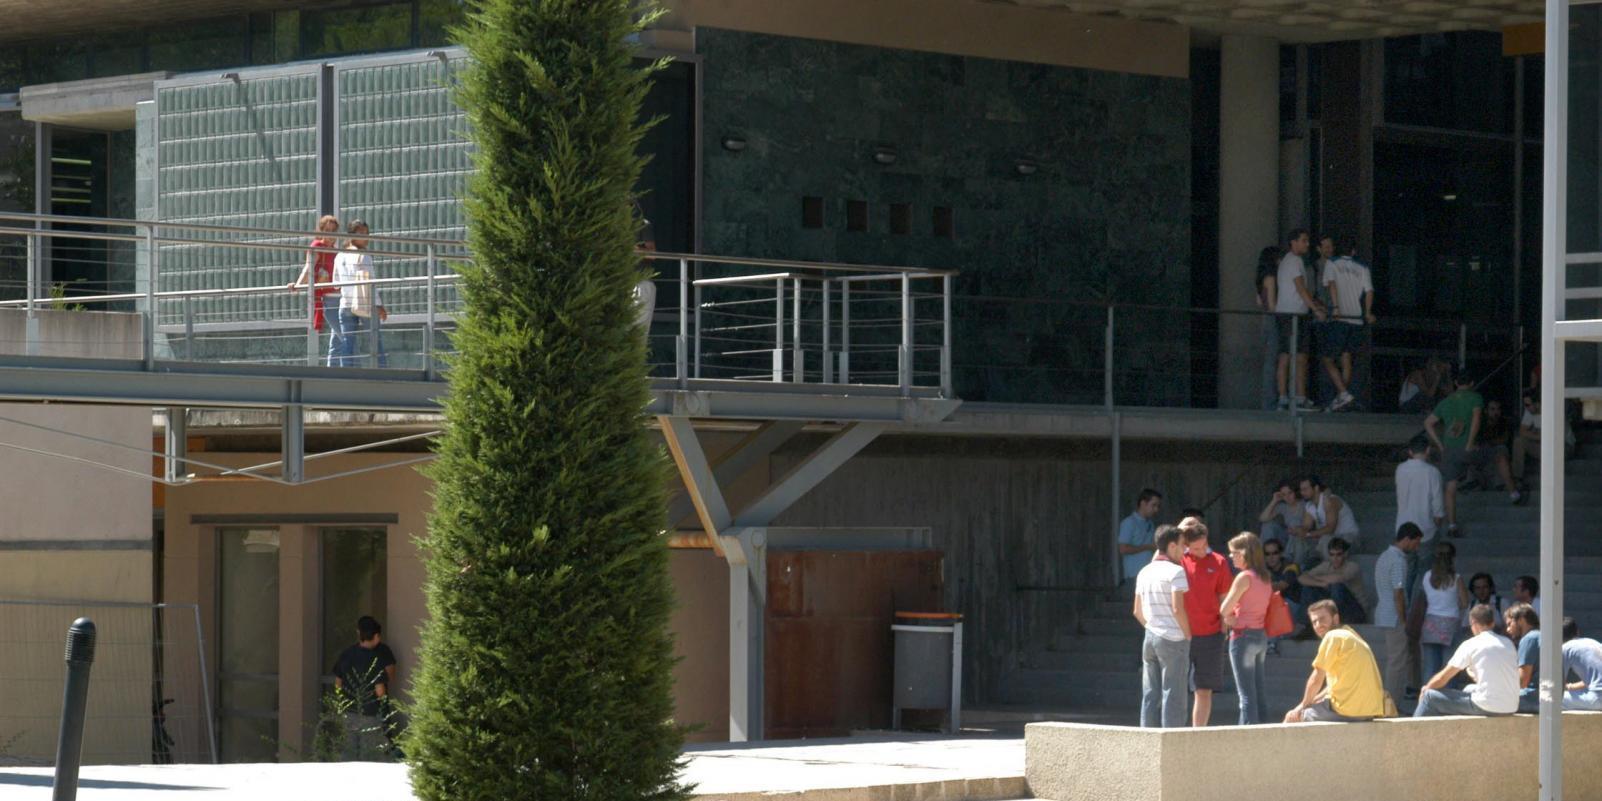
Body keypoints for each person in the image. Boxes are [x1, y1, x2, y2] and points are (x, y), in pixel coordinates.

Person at [1425, 374, 1523, 537]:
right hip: (1468, 449)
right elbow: (1477, 418)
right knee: (1500, 454)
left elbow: (1428, 423)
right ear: (1471, 383)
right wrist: (1470, 443)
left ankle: (1452, 525)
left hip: (1449, 450)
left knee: (1450, 487)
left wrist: (1440, 445)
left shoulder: (1445, 401)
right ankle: (1513, 493)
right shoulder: (1475, 398)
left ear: (1456, 382)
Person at [1283, 599, 1387, 723]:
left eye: (1322, 619)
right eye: (1314, 621)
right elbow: (1335, 684)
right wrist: (1315, 699)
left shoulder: (1333, 636)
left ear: (1335, 618)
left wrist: (1301, 706)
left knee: (1292, 717)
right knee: (1314, 706)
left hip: (1348, 710)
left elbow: (1316, 678)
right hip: (1369, 710)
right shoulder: (1351, 634)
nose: (1318, 625)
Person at [1413, 604, 1518, 717]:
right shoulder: (1508, 643)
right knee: (1468, 688)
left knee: (1429, 696)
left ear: (1472, 622)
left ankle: (1410, 733)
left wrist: (1426, 688)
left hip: (1487, 705)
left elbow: (1443, 678)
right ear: (1492, 623)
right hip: (1511, 706)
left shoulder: (1471, 644)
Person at [1133, 524, 1191, 728]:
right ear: (1173, 545)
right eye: (1183, 545)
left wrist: (1151, 627)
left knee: (1150, 693)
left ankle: (1145, 739)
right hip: (1173, 637)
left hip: (1150, 637)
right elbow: (1178, 608)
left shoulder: (1144, 571)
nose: (1185, 550)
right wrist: (1188, 635)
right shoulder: (1176, 571)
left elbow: (1137, 611)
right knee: (1174, 694)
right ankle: (1172, 744)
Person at [1178, 518, 1231, 727]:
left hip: (1210, 633)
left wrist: (1224, 626)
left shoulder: (1219, 561)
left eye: (1203, 546)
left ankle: (1197, 732)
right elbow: (1159, 556)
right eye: (1195, 548)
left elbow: (1224, 595)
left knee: (1204, 688)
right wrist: (1180, 528)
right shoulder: (1178, 560)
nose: (1200, 551)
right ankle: (1175, 730)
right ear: (1186, 545)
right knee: (1176, 686)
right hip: (1182, 633)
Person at [1220, 532, 1272, 724]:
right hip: (1260, 636)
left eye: (1233, 553)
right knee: (1259, 692)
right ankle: (1263, 734)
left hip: (1243, 637)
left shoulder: (1244, 577)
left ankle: (1246, 738)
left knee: (1246, 696)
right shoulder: (1265, 577)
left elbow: (1224, 609)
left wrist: (1231, 617)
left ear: (1243, 554)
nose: (1231, 557)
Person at [1317, 238, 1373, 412]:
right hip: (1356, 319)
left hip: (1340, 318)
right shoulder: (1362, 267)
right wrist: (1367, 312)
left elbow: (1331, 285)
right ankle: (1342, 397)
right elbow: (1369, 291)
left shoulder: (1332, 263)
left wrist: (1335, 307)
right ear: (1353, 251)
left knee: (1327, 358)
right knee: (1346, 357)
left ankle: (1343, 393)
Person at [332, 615, 398, 760]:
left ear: (359, 633)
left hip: (349, 712)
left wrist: (342, 703)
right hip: (371, 713)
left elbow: (338, 681)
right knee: (371, 757)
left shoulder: (347, 654)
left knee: (349, 755)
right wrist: (383, 706)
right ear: (376, 636)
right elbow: (380, 689)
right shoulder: (376, 658)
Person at [1274, 229, 1327, 411]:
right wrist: (1315, 309)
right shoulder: (1295, 261)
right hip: (1294, 314)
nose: (1307, 244)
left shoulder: (1287, 261)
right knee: (1299, 356)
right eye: (1303, 240)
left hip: (1287, 313)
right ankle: (1299, 397)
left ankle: (1284, 397)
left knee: (1286, 355)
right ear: (1293, 242)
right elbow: (1300, 288)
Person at [1375, 523, 1424, 703]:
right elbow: (1399, 593)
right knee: (1397, 662)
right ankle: (1390, 704)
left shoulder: (1383, 556)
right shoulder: (1398, 560)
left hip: (1385, 613)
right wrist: (1404, 620)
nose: (1416, 547)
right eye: (1416, 542)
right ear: (1406, 539)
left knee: (1397, 659)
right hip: (1394, 616)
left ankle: (1399, 695)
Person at [287, 214, 343, 366]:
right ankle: (349, 370)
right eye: (327, 231)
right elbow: (309, 267)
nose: (331, 235)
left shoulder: (336, 251)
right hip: (327, 299)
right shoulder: (317, 246)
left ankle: (333, 373)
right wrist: (297, 285)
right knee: (345, 336)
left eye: (334, 231)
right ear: (321, 231)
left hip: (340, 297)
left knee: (337, 341)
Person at [333, 219, 388, 368]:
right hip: (366, 303)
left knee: (347, 343)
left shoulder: (339, 256)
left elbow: (336, 283)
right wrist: (379, 305)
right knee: (375, 340)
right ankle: (382, 371)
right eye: (361, 233)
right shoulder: (364, 256)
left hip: (345, 303)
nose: (366, 237)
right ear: (352, 235)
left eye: (367, 233)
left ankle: (346, 374)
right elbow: (371, 282)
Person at [1417, 540, 1469, 683]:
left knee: (1430, 666)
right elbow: (1465, 602)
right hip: (1451, 623)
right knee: (1449, 666)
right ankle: (1448, 699)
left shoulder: (1427, 576)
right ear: (1452, 558)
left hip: (1430, 622)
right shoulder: (1456, 578)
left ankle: (1427, 698)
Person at [1297, 537, 1370, 626]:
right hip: (1337, 608)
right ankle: (1305, 625)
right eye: (1332, 555)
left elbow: (1338, 578)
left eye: (1338, 554)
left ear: (1345, 554)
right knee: (1308, 588)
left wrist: (1315, 577)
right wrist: (1321, 583)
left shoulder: (1353, 566)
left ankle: (1334, 623)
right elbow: (1301, 578)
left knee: (1337, 587)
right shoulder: (1326, 565)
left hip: (1356, 611)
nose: (1335, 558)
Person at [1290, 474, 1361, 562]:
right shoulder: (1309, 505)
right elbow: (1306, 526)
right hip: (1330, 539)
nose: (1302, 492)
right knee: (1299, 539)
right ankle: (1297, 569)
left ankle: (1329, 570)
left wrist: (1309, 534)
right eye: (1301, 490)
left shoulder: (1330, 500)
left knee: (1326, 539)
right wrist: (1298, 530)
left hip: (1349, 537)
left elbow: (1330, 528)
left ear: (1316, 488)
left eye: (1305, 489)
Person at [1512, 391, 1576, 481]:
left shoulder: (1551, 411)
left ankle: (1552, 480)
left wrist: (1535, 434)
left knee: (1549, 445)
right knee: (1519, 441)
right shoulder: (1529, 412)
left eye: (1527, 405)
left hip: (1564, 447)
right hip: (1545, 444)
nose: (1525, 408)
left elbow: (1552, 437)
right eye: (1525, 405)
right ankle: (1517, 479)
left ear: (1537, 404)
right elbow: (1522, 431)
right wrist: (1539, 435)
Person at [1257, 245, 1286, 410]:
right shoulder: (1271, 278)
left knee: (1269, 361)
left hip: (1264, 319)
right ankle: (1270, 402)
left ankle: (1268, 401)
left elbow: (1259, 302)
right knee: (1272, 362)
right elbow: (1273, 305)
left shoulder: (1261, 277)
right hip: (1273, 319)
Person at [1263, 539, 1302, 653]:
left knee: (1274, 604)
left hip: (1293, 607)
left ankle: (1271, 643)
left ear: (1280, 554)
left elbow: (1282, 585)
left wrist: (1260, 587)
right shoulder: (1263, 569)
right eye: (1267, 554)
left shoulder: (1291, 567)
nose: (1271, 557)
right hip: (1276, 609)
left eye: (1274, 553)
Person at [1118, 489, 1163, 585]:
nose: (1156, 509)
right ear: (1143, 503)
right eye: (1153, 505)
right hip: (1134, 575)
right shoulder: (1129, 522)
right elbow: (1123, 549)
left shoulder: (1150, 523)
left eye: (1158, 506)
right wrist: (1148, 547)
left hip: (1150, 574)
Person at [1503, 602, 1540, 713]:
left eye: (1510, 624)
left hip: (1534, 699)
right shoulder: (1540, 635)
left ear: (1521, 620)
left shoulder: (1529, 639)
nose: (1508, 630)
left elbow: (1522, 681)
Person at [1562, 618, 1602, 711]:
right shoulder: (1592, 642)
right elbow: (1597, 678)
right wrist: (1571, 687)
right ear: (1577, 631)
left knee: (1550, 700)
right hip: (1598, 694)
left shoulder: (1565, 648)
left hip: (1598, 698)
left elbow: (1558, 683)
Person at [1257, 478, 1306, 552]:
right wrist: (1274, 501)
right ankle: (1266, 554)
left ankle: (1288, 557)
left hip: (1303, 538)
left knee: (1294, 524)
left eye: (1290, 493)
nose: (1287, 497)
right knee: (1268, 525)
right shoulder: (1283, 506)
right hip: (1287, 537)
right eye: (1284, 494)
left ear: (1296, 492)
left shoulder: (1304, 504)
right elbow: (1263, 518)